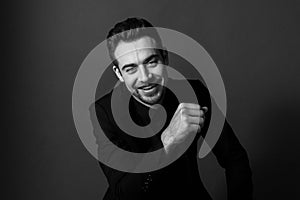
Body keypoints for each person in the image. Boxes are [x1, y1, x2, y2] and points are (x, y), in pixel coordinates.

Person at [91, 17, 253, 200]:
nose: (145, 77)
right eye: (131, 69)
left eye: (151, 62)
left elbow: (234, 157)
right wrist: (167, 142)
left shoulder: (194, 93)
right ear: (119, 74)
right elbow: (124, 192)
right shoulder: (103, 113)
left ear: (165, 58)